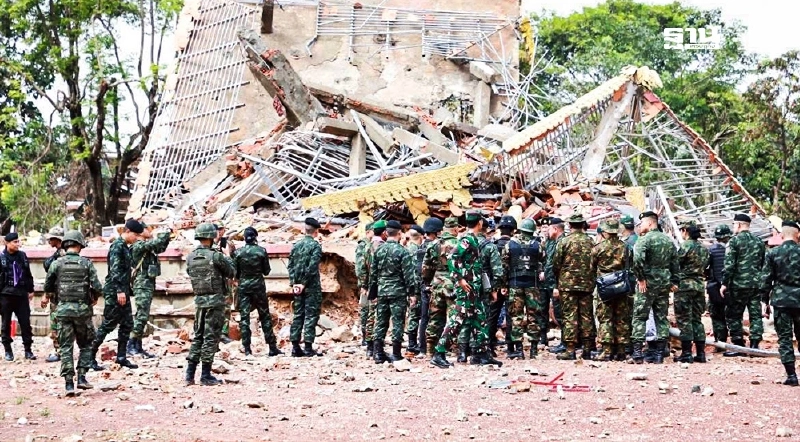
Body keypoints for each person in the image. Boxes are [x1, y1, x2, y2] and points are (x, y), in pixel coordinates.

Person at [430, 210, 502, 368]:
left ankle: (482, 354)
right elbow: (452, 257)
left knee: (480, 319)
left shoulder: (471, 239)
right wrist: (460, 279)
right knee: (457, 319)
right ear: (480, 223)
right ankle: (439, 353)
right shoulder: (467, 239)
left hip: (473, 287)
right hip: (467, 288)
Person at [43, 230, 103, 396]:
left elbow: (47, 286)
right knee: (86, 343)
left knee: (65, 346)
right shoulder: (86, 263)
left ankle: (69, 383)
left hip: (62, 311)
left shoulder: (57, 263)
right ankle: (82, 377)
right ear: (79, 245)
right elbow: (98, 286)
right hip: (82, 312)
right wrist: (94, 296)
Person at [184, 223, 236, 386]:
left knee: (198, 336)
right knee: (211, 337)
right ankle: (205, 375)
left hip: (199, 301)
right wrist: (227, 255)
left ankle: (189, 374)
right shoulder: (216, 256)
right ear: (212, 237)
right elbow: (232, 272)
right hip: (215, 302)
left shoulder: (191, 257)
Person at [90, 219, 143, 371]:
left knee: (127, 324)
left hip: (123, 290)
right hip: (115, 291)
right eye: (135, 235)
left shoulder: (125, 247)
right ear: (127, 232)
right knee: (108, 324)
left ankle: (121, 357)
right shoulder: (117, 247)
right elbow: (115, 270)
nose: (136, 238)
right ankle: (89, 357)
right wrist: (120, 290)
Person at [630, 211, 679, 364]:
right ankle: (659, 354)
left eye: (642, 223)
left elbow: (637, 260)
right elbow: (674, 263)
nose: (640, 227)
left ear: (650, 223)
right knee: (661, 318)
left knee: (639, 316)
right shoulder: (668, 240)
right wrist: (674, 281)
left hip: (648, 284)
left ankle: (637, 353)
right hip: (663, 284)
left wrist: (641, 278)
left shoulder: (644, 240)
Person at [369, 220, 419, 363]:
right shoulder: (403, 251)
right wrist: (412, 294)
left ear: (386, 233)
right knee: (397, 322)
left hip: (382, 290)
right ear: (399, 233)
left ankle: (378, 353)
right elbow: (409, 275)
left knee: (381, 321)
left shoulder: (379, 250)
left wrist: (373, 293)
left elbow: (373, 273)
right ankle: (396, 353)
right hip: (398, 292)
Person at [552, 213, 596, 360]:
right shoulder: (591, 241)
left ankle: (570, 349)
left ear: (570, 225)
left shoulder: (564, 242)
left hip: (568, 284)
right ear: (583, 225)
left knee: (569, 316)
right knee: (586, 316)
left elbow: (556, 263)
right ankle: (587, 349)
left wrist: (560, 278)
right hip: (587, 284)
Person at [760, 220, 800, 386]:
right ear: (798, 234)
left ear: (782, 235)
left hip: (781, 301)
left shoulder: (772, 253)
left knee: (784, 338)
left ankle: (791, 376)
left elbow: (766, 279)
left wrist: (764, 301)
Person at [721, 214, 766, 355]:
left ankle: (738, 345)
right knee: (756, 315)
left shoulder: (734, 242)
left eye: (734, 224)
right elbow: (763, 263)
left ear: (739, 225)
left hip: (738, 284)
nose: (733, 227)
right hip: (755, 284)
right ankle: (754, 346)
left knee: (734, 314)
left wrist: (724, 283)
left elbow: (729, 265)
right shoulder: (759, 241)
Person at [233, 227, 282, 357]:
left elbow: (235, 273)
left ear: (244, 238)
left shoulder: (238, 253)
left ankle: (247, 349)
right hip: (258, 287)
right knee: (265, 316)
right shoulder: (261, 251)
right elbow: (266, 271)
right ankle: (272, 347)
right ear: (255, 237)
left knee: (244, 318)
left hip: (244, 287)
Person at [501, 218, 544, 360]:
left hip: (515, 285)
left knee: (516, 317)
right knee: (533, 317)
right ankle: (533, 349)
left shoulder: (510, 245)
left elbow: (504, 267)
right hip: (532, 285)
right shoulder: (538, 245)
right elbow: (542, 261)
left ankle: (519, 350)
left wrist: (503, 285)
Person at [128, 223, 172, 358]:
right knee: (141, 315)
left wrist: (167, 237)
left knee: (144, 315)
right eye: (147, 229)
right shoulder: (138, 246)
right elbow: (157, 242)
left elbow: (160, 247)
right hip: (141, 284)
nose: (150, 231)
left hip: (147, 283)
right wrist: (166, 231)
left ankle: (138, 345)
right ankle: (131, 344)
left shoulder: (146, 245)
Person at [590, 219, 631, 361]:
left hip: (604, 286)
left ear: (606, 232)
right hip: (621, 285)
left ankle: (607, 350)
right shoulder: (625, 247)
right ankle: (621, 350)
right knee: (621, 318)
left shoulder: (598, 248)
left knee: (605, 317)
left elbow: (592, 267)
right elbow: (629, 264)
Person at [421, 217, 459, 357]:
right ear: (455, 228)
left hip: (437, 284)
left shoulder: (434, 245)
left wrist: (427, 282)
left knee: (435, 317)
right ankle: (453, 350)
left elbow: (426, 268)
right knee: (454, 318)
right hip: (455, 284)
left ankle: (430, 350)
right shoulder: (460, 244)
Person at [673, 221, 710, 363]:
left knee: (684, 319)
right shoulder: (704, 249)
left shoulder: (685, 246)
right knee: (697, 319)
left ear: (685, 231)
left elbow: (677, 264)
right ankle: (701, 353)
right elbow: (706, 266)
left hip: (685, 286)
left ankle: (686, 353)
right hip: (699, 286)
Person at [288, 218, 324, 357]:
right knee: (311, 314)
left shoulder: (296, 245)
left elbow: (290, 265)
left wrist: (294, 283)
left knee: (298, 314)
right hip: (311, 286)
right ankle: (308, 347)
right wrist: (303, 283)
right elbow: (312, 267)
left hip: (297, 286)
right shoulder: (315, 246)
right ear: (316, 231)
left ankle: (295, 346)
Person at [1, 232, 36, 361]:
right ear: (7, 243)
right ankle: (8, 350)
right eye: (15, 242)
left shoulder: (22, 256)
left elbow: (28, 273)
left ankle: (28, 350)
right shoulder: (1, 258)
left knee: (25, 323)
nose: (17, 244)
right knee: (5, 324)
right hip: (6, 295)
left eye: (18, 241)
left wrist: (30, 289)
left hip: (21, 294)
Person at [490, 215, 516, 355]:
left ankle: (490, 346)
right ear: (513, 231)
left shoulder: (493, 246)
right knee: (511, 314)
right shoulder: (515, 246)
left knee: (492, 315)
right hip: (511, 284)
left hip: (494, 286)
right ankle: (510, 347)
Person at [360, 220, 387, 357]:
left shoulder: (367, 246)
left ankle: (369, 346)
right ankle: (377, 348)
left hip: (371, 285)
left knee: (371, 315)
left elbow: (363, 268)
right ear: (384, 232)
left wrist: (364, 285)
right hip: (381, 285)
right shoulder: (382, 247)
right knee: (380, 316)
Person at [417, 218, 442, 355]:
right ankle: (435, 347)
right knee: (437, 317)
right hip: (436, 285)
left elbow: (419, 269)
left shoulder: (421, 247)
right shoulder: (436, 246)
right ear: (437, 232)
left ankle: (422, 348)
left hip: (424, 285)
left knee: (424, 317)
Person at [706, 224, 732, 351]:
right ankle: (736, 342)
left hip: (715, 287)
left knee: (717, 315)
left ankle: (720, 342)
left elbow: (706, 268)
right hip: (731, 286)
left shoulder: (711, 250)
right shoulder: (734, 249)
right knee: (732, 315)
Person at [43, 226, 65, 363]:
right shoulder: (62, 253)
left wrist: (47, 294)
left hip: (59, 295)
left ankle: (59, 351)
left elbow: (52, 276)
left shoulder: (60, 256)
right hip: (63, 294)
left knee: (57, 324)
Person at [545, 218, 567, 354]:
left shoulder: (561, 243)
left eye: (549, 228)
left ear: (555, 229)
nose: (547, 231)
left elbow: (557, 267)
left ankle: (566, 343)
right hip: (557, 284)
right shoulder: (555, 242)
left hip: (560, 284)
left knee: (562, 314)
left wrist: (555, 286)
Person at [404, 224, 425, 355]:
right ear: (421, 237)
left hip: (407, 287)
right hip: (414, 288)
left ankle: (412, 342)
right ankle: (412, 344)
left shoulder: (405, 249)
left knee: (412, 314)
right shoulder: (416, 251)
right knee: (414, 315)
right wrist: (415, 291)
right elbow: (415, 273)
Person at [215, 222, 235, 345]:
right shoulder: (207, 246)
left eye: (221, 229)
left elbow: (233, 262)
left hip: (226, 281)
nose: (219, 232)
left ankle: (223, 333)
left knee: (226, 308)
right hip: (213, 282)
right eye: (217, 229)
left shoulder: (228, 244)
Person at [355, 223, 374, 347]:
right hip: (366, 284)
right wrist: (363, 285)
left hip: (371, 283)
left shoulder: (371, 245)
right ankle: (365, 337)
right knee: (365, 309)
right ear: (368, 232)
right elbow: (360, 267)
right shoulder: (363, 246)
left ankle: (370, 337)